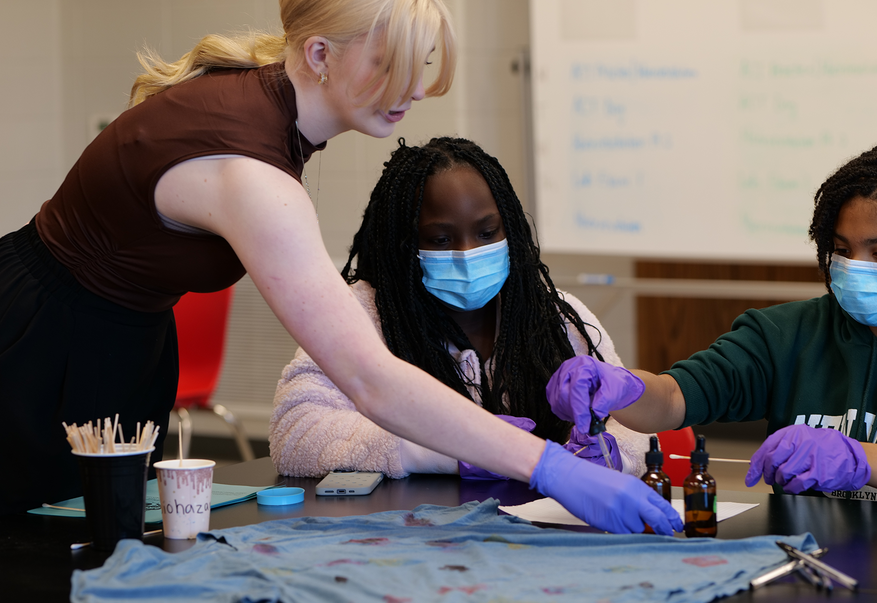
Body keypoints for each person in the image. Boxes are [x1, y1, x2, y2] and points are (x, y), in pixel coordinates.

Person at [0, 0, 682, 533]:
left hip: (112, 342)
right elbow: (370, 378)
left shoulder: (268, 101)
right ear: (319, 53)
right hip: (41, 349)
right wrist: (551, 465)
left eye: (420, 62)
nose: (411, 87)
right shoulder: (256, 176)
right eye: (390, 64)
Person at [547, 140, 877, 510]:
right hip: (810, 558)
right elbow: (673, 399)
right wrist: (622, 387)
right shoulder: (788, 333)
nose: (855, 267)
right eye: (842, 248)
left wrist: (863, 461)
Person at [270, 137, 650, 479]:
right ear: (404, 245)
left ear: (511, 230)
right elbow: (295, 433)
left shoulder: (557, 317)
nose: (468, 253)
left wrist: (613, 454)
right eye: (440, 239)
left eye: (487, 233)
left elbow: (637, 424)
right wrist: (451, 449)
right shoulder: (359, 313)